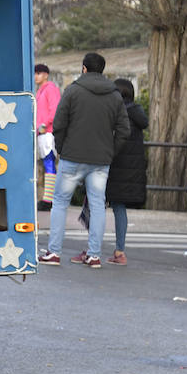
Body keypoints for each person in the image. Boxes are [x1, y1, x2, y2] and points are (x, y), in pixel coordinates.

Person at [37, 51, 129, 268]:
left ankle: (54, 252)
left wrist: (62, 148)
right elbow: (124, 130)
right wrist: (110, 152)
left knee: (60, 202)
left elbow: (59, 123)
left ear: (84, 68)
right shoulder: (114, 95)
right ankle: (94, 254)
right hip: (101, 160)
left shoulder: (73, 91)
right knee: (97, 205)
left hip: (72, 157)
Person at [103, 78, 149, 265]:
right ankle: (119, 250)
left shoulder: (118, 113)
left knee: (103, 205)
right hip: (132, 170)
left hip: (115, 166)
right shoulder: (138, 114)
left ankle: (93, 250)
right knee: (119, 209)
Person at [34, 63, 62, 211]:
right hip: (42, 132)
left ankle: (49, 199)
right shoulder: (40, 91)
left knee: (49, 163)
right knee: (47, 164)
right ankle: (48, 198)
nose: (36, 76)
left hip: (47, 132)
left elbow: (55, 109)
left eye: (38, 73)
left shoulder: (50, 89)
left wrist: (45, 124)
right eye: (35, 73)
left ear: (45, 74)